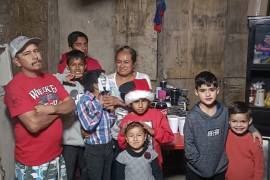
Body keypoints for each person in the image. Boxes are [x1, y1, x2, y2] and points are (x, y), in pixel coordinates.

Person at [5, 35, 75, 179]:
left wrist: (51, 109)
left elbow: (71, 104)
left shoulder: (50, 78)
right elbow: (34, 124)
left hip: (56, 156)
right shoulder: (14, 87)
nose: (35, 56)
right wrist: (60, 108)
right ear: (17, 61)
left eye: (36, 51)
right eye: (27, 53)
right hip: (33, 163)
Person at [184, 71, 262, 180]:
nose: (207, 94)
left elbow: (239, 120)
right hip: (196, 171)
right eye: (202, 90)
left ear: (218, 90)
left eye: (211, 90)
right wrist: (203, 166)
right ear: (196, 92)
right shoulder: (192, 117)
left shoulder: (225, 112)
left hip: (219, 170)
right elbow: (189, 148)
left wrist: (252, 129)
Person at [103, 46, 152, 179]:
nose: (122, 65)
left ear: (133, 63)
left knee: (139, 170)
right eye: (118, 62)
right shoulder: (107, 80)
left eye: (126, 62)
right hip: (114, 134)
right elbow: (103, 105)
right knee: (117, 171)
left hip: (138, 134)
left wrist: (120, 102)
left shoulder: (142, 78)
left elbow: (146, 105)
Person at [117, 79, 174, 167]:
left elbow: (169, 138)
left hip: (155, 163)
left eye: (143, 100)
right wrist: (122, 132)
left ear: (148, 100)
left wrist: (153, 131)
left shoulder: (158, 115)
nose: (140, 105)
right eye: (136, 101)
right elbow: (123, 146)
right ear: (130, 103)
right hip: (133, 165)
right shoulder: (127, 119)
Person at [76, 70, 116, 180]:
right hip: (94, 148)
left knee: (107, 177)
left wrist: (112, 111)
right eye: (103, 80)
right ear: (94, 84)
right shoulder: (84, 101)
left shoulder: (105, 97)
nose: (106, 82)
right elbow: (88, 126)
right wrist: (99, 106)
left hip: (108, 145)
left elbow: (110, 123)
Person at [54, 49, 87, 180]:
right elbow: (48, 79)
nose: (77, 68)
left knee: (87, 173)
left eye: (80, 64)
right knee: (68, 173)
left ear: (85, 66)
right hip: (69, 140)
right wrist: (63, 77)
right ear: (68, 67)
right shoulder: (63, 84)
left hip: (87, 140)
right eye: (73, 64)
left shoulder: (90, 83)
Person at [226, 101, 264, 180]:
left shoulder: (254, 141)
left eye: (243, 121)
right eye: (234, 121)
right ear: (229, 121)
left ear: (249, 121)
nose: (238, 125)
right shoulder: (225, 134)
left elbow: (259, 168)